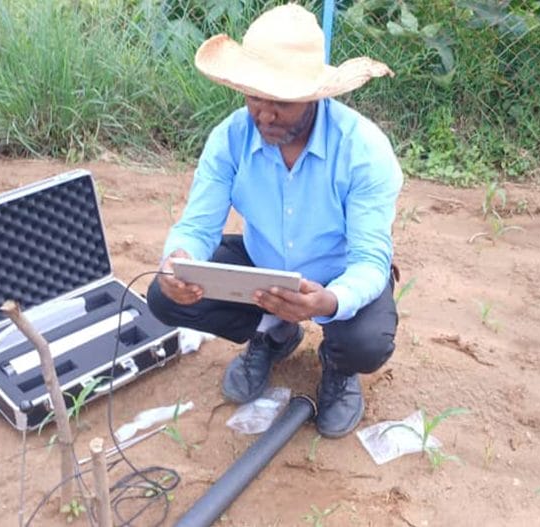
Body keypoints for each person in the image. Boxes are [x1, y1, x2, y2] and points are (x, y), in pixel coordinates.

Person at [147, 3, 402, 438]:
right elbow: (197, 226)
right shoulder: (229, 138)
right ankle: (273, 332)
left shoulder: (363, 150)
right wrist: (178, 259)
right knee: (164, 295)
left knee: (366, 342)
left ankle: (339, 368)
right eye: (254, 97)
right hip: (262, 263)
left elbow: (369, 260)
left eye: (281, 102)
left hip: (336, 274)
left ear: (313, 95)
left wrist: (329, 300)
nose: (264, 114)